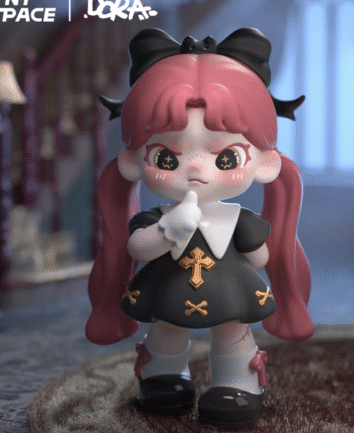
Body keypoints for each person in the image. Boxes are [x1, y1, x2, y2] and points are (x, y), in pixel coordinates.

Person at [85, 28, 313, 428]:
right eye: (166, 158)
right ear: (133, 161)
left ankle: (239, 386)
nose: (195, 169)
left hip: (230, 294)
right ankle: (163, 379)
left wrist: (256, 247)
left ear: (264, 162)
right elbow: (137, 247)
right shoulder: (157, 218)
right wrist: (168, 230)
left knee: (233, 334)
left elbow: (260, 257)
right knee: (165, 332)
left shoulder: (238, 221)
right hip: (168, 291)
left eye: (226, 158)